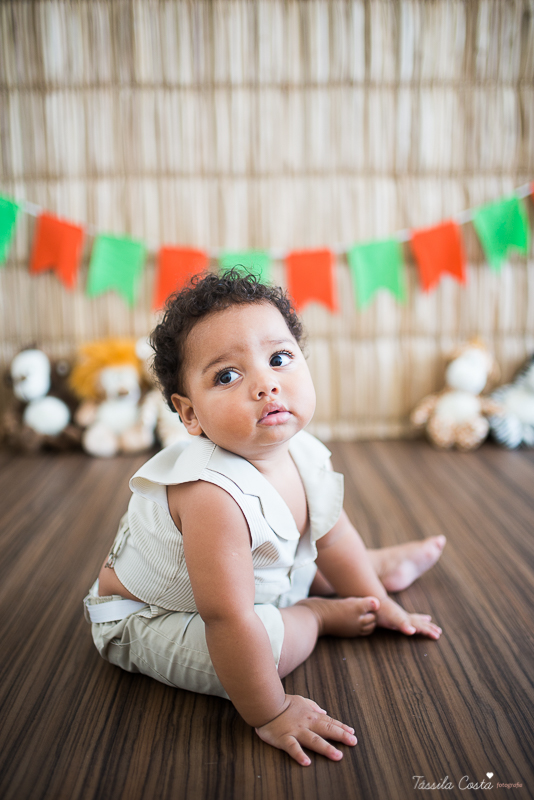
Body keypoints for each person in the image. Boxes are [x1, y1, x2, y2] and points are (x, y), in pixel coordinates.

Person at [84, 270, 445, 767]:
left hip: (246, 583)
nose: (266, 384)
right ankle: (315, 614)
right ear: (189, 415)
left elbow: (333, 533)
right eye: (227, 376)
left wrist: (378, 604)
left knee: (317, 548)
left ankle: (376, 574)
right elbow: (227, 618)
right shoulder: (210, 495)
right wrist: (271, 713)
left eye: (279, 359)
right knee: (264, 646)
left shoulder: (304, 451)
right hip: (153, 619)